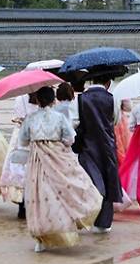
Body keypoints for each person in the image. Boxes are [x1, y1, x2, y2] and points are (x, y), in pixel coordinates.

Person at [19, 86, 102, 252]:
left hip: (38, 159)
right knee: (63, 191)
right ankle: (65, 226)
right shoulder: (59, 117)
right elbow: (70, 138)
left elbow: (23, 141)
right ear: (53, 100)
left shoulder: (30, 118)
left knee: (40, 195)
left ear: (37, 100)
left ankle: (41, 237)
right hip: (58, 157)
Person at [73, 74, 123, 233]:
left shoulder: (81, 99)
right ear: (108, 82)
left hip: (87, 145)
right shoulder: (112, 98)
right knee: (108, 180)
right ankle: (103, 222)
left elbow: (75, 122)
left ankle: (86, 216)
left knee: (89, 180)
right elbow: (115, 120)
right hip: (107, 146)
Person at [0, 93, 40, 219]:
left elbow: (18, 117)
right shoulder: (41, 97)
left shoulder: (20, 98)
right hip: (37, 134)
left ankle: (22, 205)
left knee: (20, 169)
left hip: (21, 137)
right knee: (35, 168)